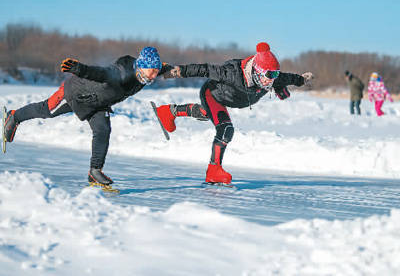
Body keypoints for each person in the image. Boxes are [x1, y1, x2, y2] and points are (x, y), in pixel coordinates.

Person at [3, 47, 174, 186]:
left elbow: (177, 69)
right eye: (152, 71)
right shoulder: (120, 73)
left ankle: (95, 171)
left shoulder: (146, 73)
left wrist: (198, 70)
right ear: (142, 65)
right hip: (77, 93)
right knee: (47, 110)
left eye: (156, 71)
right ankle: (14, 116)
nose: (154, 75)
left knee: (103, 130)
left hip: (98, 102)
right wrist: (79, 69)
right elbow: (99, 73)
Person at [157, 42, 314, 185]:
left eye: (275, 74)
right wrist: (178, 72)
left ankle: (168, 112)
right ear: (257, 71)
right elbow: (205, 69)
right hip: (213, 94)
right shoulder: (232, 73)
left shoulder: (271, 79)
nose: (272, 80)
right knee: (225, 129)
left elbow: (287, 78)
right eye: (270, 75)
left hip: (227, 99)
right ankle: (214, 171)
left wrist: (301, 80)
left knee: (206, 113)